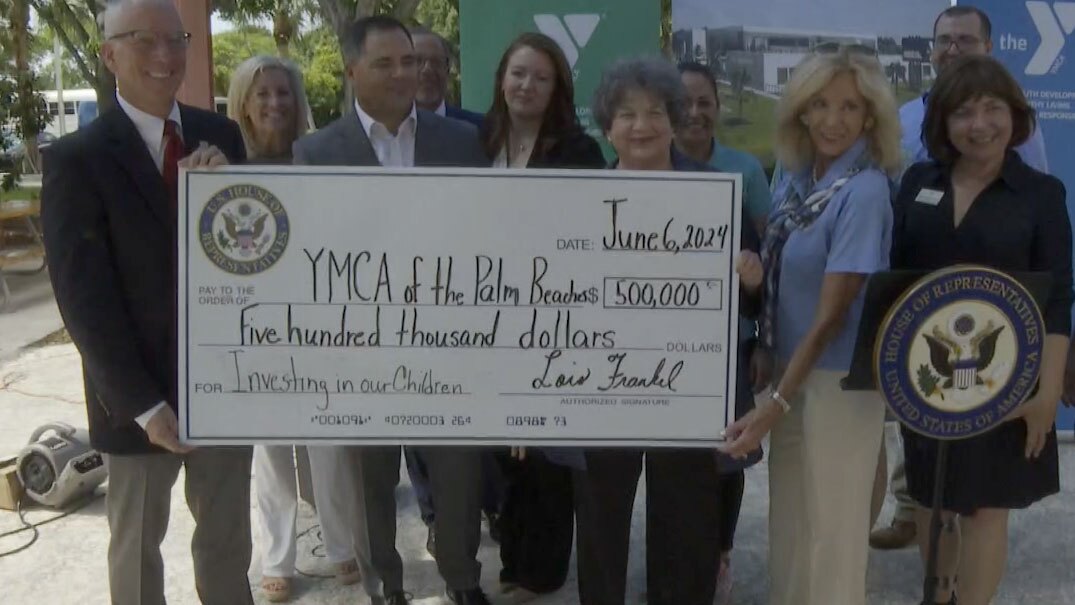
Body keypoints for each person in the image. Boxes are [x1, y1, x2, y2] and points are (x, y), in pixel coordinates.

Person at [40, 1, 251, 603]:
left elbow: (251, 256)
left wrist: (225, 190)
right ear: (109, 55)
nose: (165, 56)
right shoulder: (77, 159)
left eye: (175, 39)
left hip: (225, 387)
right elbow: (83, 299)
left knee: (228, 545)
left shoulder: (221, 135)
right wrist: (141, 402)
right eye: (143, 41)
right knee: (135, 554)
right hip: (138, 403)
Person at [292, 15, 490, 605]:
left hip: (448, 345)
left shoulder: (461, 142)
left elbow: (485, 237)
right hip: (363, 352)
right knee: (370, 479)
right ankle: (386, 586)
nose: (406, 73)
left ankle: (462, 577)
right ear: (351, 71)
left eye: (411, 61)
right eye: (386, 63)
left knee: (458, 475)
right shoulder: (316, 152)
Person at [571, 57, 762, 605]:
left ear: (675, 121)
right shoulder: (575, 198)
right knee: (601, 521)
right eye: (626, 114)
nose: (641, 125)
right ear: (607, 125)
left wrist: (751, 277)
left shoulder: (717, 192)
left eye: (655, 112)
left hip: (688, 386)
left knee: (686, 524)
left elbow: (752, 297)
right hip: (598, 383)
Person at [720, 46, 902, 605]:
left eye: (849, 107)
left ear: (870, 117)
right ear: (800, 110)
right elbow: (784, 280)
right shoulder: (795, 180)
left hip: (837, 382)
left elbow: (832, 315)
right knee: (792, 523)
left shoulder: (865, 192)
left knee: (834, 536)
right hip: (791, 377)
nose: (833, 120)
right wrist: (755, 283)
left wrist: (775, 400)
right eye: (820, 104)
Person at [891, 54, 1072, 605]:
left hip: (1010, 378)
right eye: (964, 112)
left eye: (994, 109)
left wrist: (1047, 392)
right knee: (931, 497)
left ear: (1015, 117)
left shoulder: (1042, 194)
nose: (980, 124)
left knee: (988, 507)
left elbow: (1058, 300)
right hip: (930, 377)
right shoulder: (918, 183)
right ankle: (938, 594)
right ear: (942, 122)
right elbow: (898, 284)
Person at [871, 4, 1051, 551]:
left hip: (996, 335)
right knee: (926, 471)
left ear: (988, 48)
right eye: (944, 40)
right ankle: (912, 515)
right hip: (919, 331)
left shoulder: (1028, 157)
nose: (953, 48)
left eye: (965, 40)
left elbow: (1040, 240)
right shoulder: (902, 127)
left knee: (982, 491)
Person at [227, 54, 375, 602]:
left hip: (320, 319)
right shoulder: (225, 164)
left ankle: (342, 547)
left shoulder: (319, 157)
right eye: (261, 93)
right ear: (242, 102)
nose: (274, 103)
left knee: (331, 443)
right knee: (270, 450)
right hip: (255, 324)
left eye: (283, 93)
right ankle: (278, 558)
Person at [479, 31, 605, 598]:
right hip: (483, 315)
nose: (526, 85)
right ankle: (513, 561)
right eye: (518, 74)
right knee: (502, 449)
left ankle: (543, 571)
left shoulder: (577, 152)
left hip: (554, 317)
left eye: (541, 77)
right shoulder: (477, 142)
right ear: (501, 79)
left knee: (546, 452)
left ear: (558, 89)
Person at [673, 60, 768, 604]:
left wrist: (764, 338)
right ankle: (679, 558)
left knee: (727, 457)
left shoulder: (745, 170)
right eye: (682, 101)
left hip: (731, 339)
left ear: (717, 106)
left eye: (704, 100)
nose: (694, 111)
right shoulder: (644, 166)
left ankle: (721, 554)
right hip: (658, 343)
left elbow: (765, 260)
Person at [410, 25, 484, 128]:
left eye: (436, 62)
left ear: (447, 69)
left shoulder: (479, 128)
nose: (428, 69)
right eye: (418, 61)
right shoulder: (384, 130)